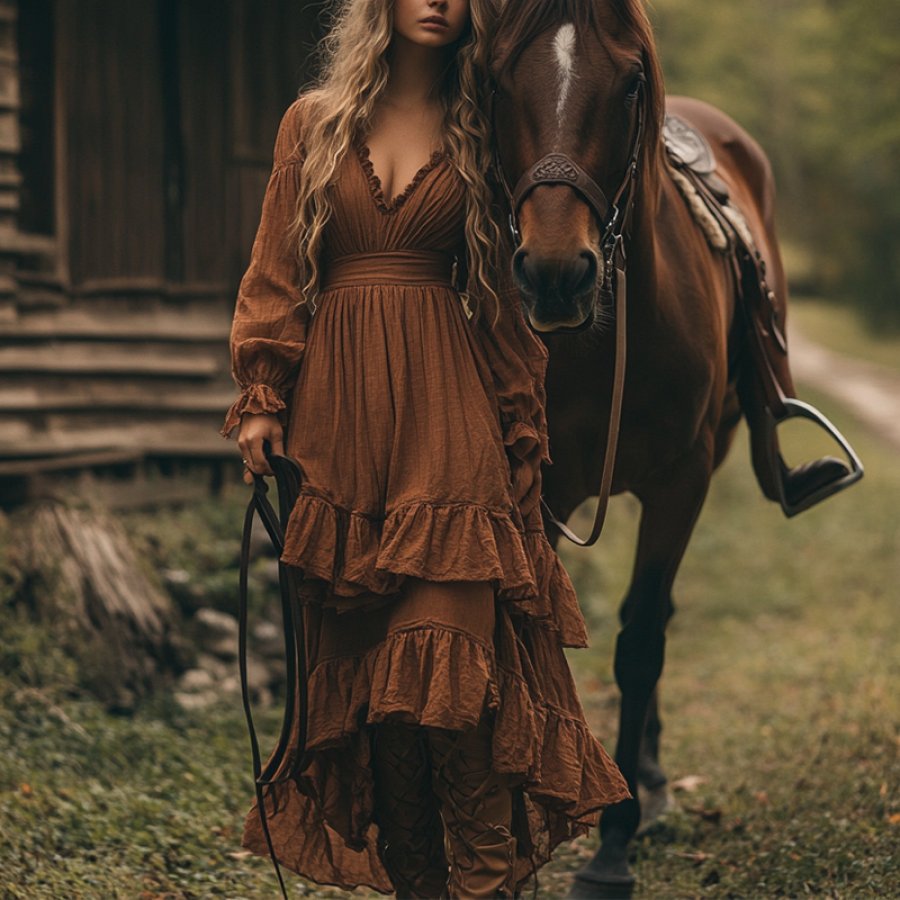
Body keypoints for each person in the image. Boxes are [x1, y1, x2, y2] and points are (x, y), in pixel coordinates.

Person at [219, 0, 630, 895]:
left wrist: (521, 420)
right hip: (339, 434)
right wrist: (261, 392)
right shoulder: (314, 123)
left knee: (456, 693)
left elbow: (498, 300)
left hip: (449, 424)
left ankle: (487, 884)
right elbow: (279, 270)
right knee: (381, 716)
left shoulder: (487, 135)